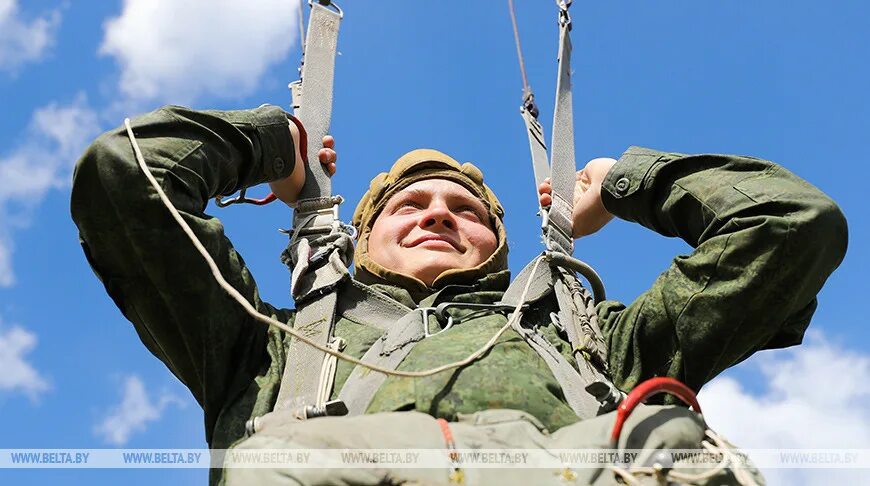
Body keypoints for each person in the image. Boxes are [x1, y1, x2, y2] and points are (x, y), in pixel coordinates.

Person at [71, 105, 847, 485]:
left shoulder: (594, 339)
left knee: (662, 437)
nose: (439, 211)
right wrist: (277, 146)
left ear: (498, 247)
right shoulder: (270, 351)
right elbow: (125, 176)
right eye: (410, 206)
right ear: (359, 238)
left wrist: (623, 183)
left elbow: (791, 226)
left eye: (465, 210)